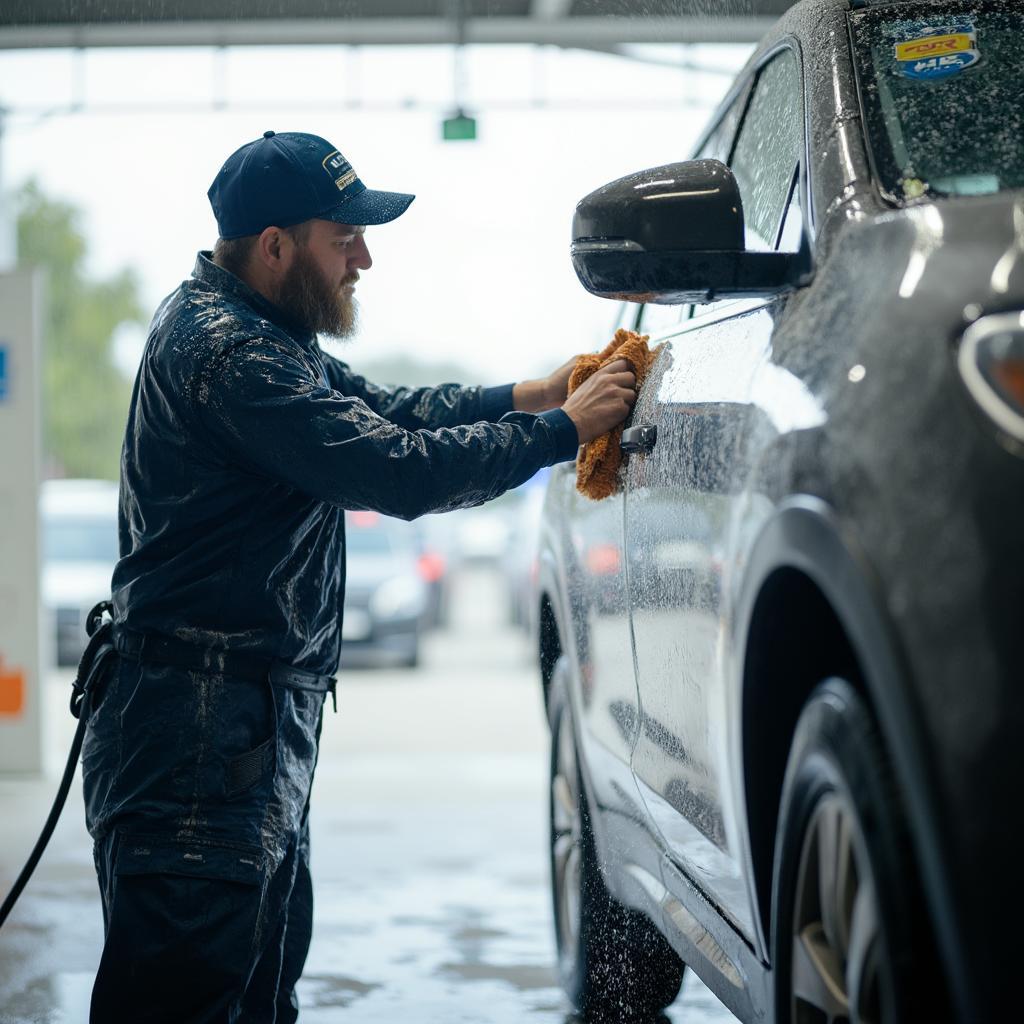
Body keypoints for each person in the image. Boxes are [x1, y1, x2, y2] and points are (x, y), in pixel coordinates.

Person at [81, 130, 636, 1023]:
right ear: (275, 247)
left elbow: (389, 408)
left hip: (232, 740)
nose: (365, 258)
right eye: (345, 238)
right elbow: (395, 467)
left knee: (254, 1001)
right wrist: (561, 432)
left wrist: (532, 395)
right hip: (196, 749)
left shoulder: (259, 331)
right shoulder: (234, 354)